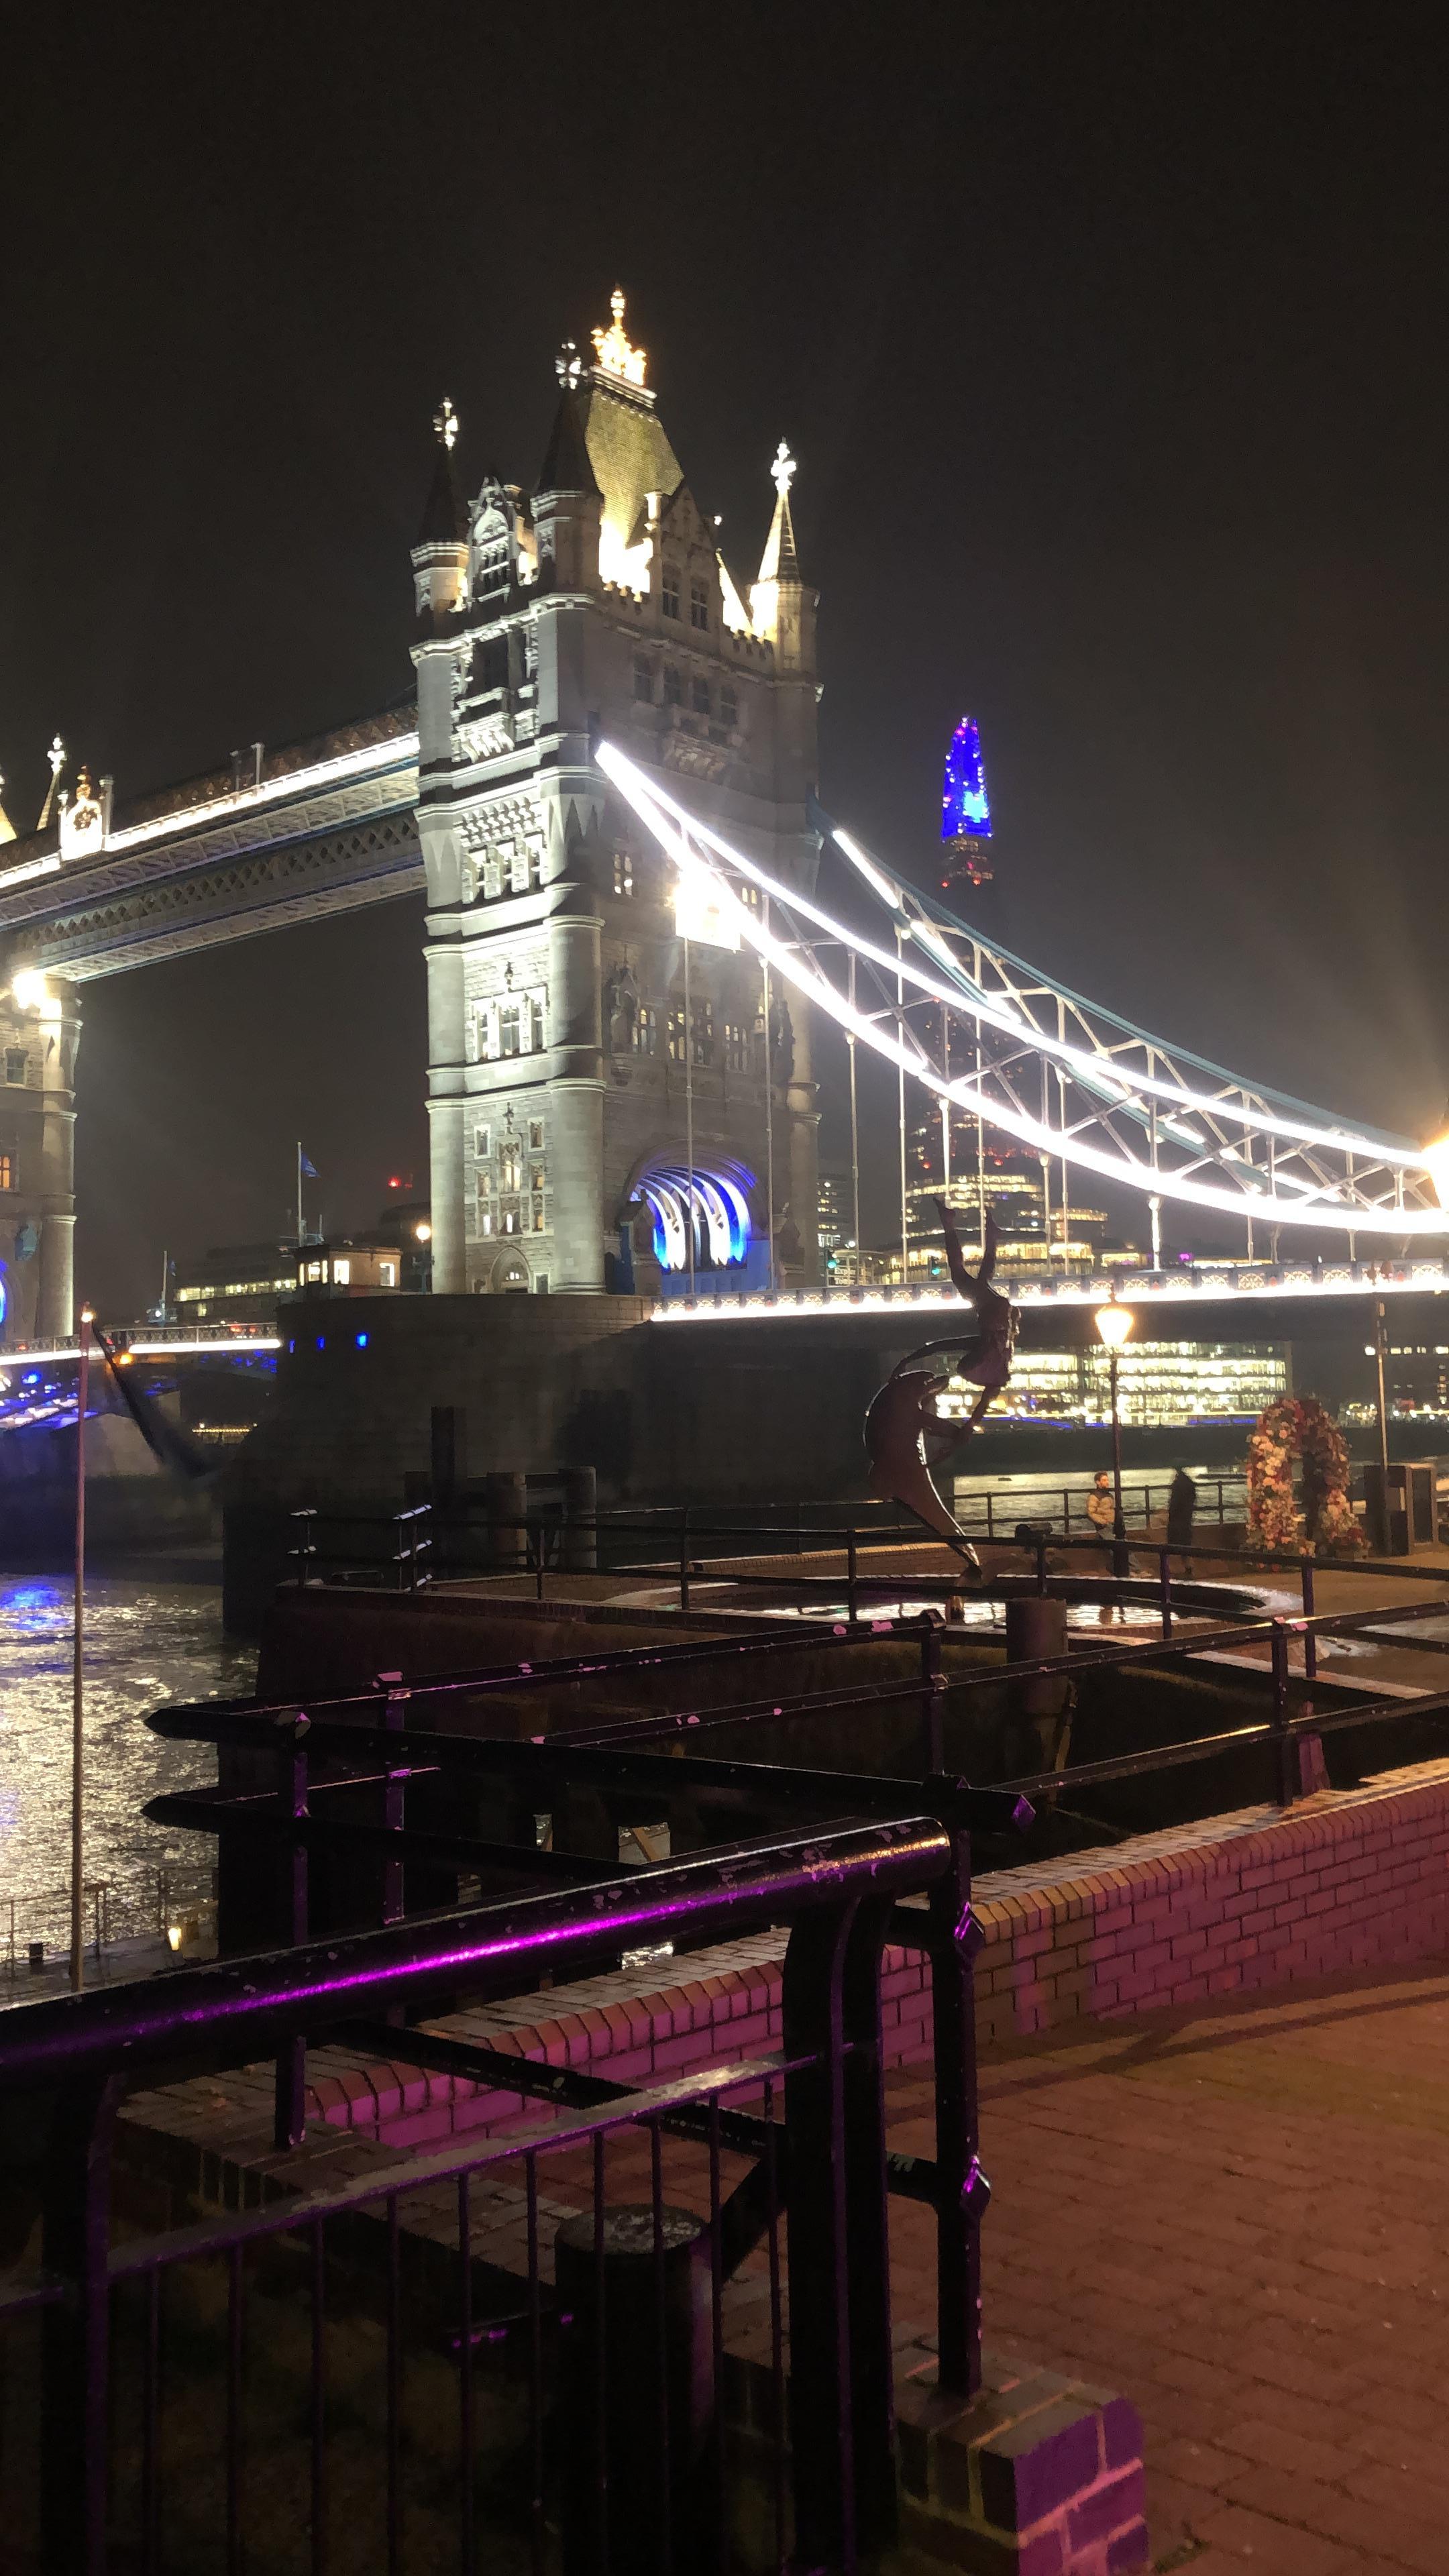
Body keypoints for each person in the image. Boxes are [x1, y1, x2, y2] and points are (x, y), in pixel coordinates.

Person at [1085, 1470, 1117, 1622]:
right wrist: (1103, 1522)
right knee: (1117, 1549)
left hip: (1110, 1526)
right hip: (1104, 1526)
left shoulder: (1108, 1495)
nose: (1107, 1482)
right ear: (1098, 1482)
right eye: (1104, 1480)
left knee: (1112, 1550)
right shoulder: (1095, 1496)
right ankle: (1135, 1570)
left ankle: (1113, 1571)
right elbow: (1091, 1512)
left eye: (1107, 1480)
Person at [1167, 1466, 1197, 1576]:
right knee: (1185, 1543)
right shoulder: (1188, 1483)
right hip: (1186, 1517)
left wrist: (1172, 1512)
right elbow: (1193, 1498)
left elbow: (1175, 1502)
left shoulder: (1179, 1484)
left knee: (1173, 1544)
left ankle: (1168, 1568)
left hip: (1178, 1518)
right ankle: (1188, 1567)